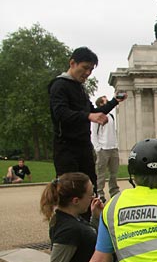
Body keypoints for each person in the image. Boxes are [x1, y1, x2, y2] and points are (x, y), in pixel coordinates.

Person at [10, 173, 121, 262]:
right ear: (75, 200)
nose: (93, 197)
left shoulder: (66, 217)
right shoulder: (68, 229)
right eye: (90, 194)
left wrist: (96, 217)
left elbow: (90, 241)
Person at [49, 47, 127, 192]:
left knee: (90, 189)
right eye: (85, 68)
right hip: (66, 148)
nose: (88, 73)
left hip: (83, 147)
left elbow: (94, 111)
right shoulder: (59, 85)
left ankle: (90, 215)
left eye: (91, 69)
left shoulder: (80, 88)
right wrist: (88, 116)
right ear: (72, 63)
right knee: (70, 193)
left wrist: (115, 101)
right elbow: (61, 113)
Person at [91, 95, 120, 203]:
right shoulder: (96, 117)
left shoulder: (111, 116)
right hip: (103, 149)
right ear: (100, 105)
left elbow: (114, 131)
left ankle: (114, 192)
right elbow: (93, 134)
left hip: (113, 148)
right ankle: (100, 193)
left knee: (114, 172)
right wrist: (98, 148)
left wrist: (116, 144)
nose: (108, 103)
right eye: (105, 102)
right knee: (101, 173)